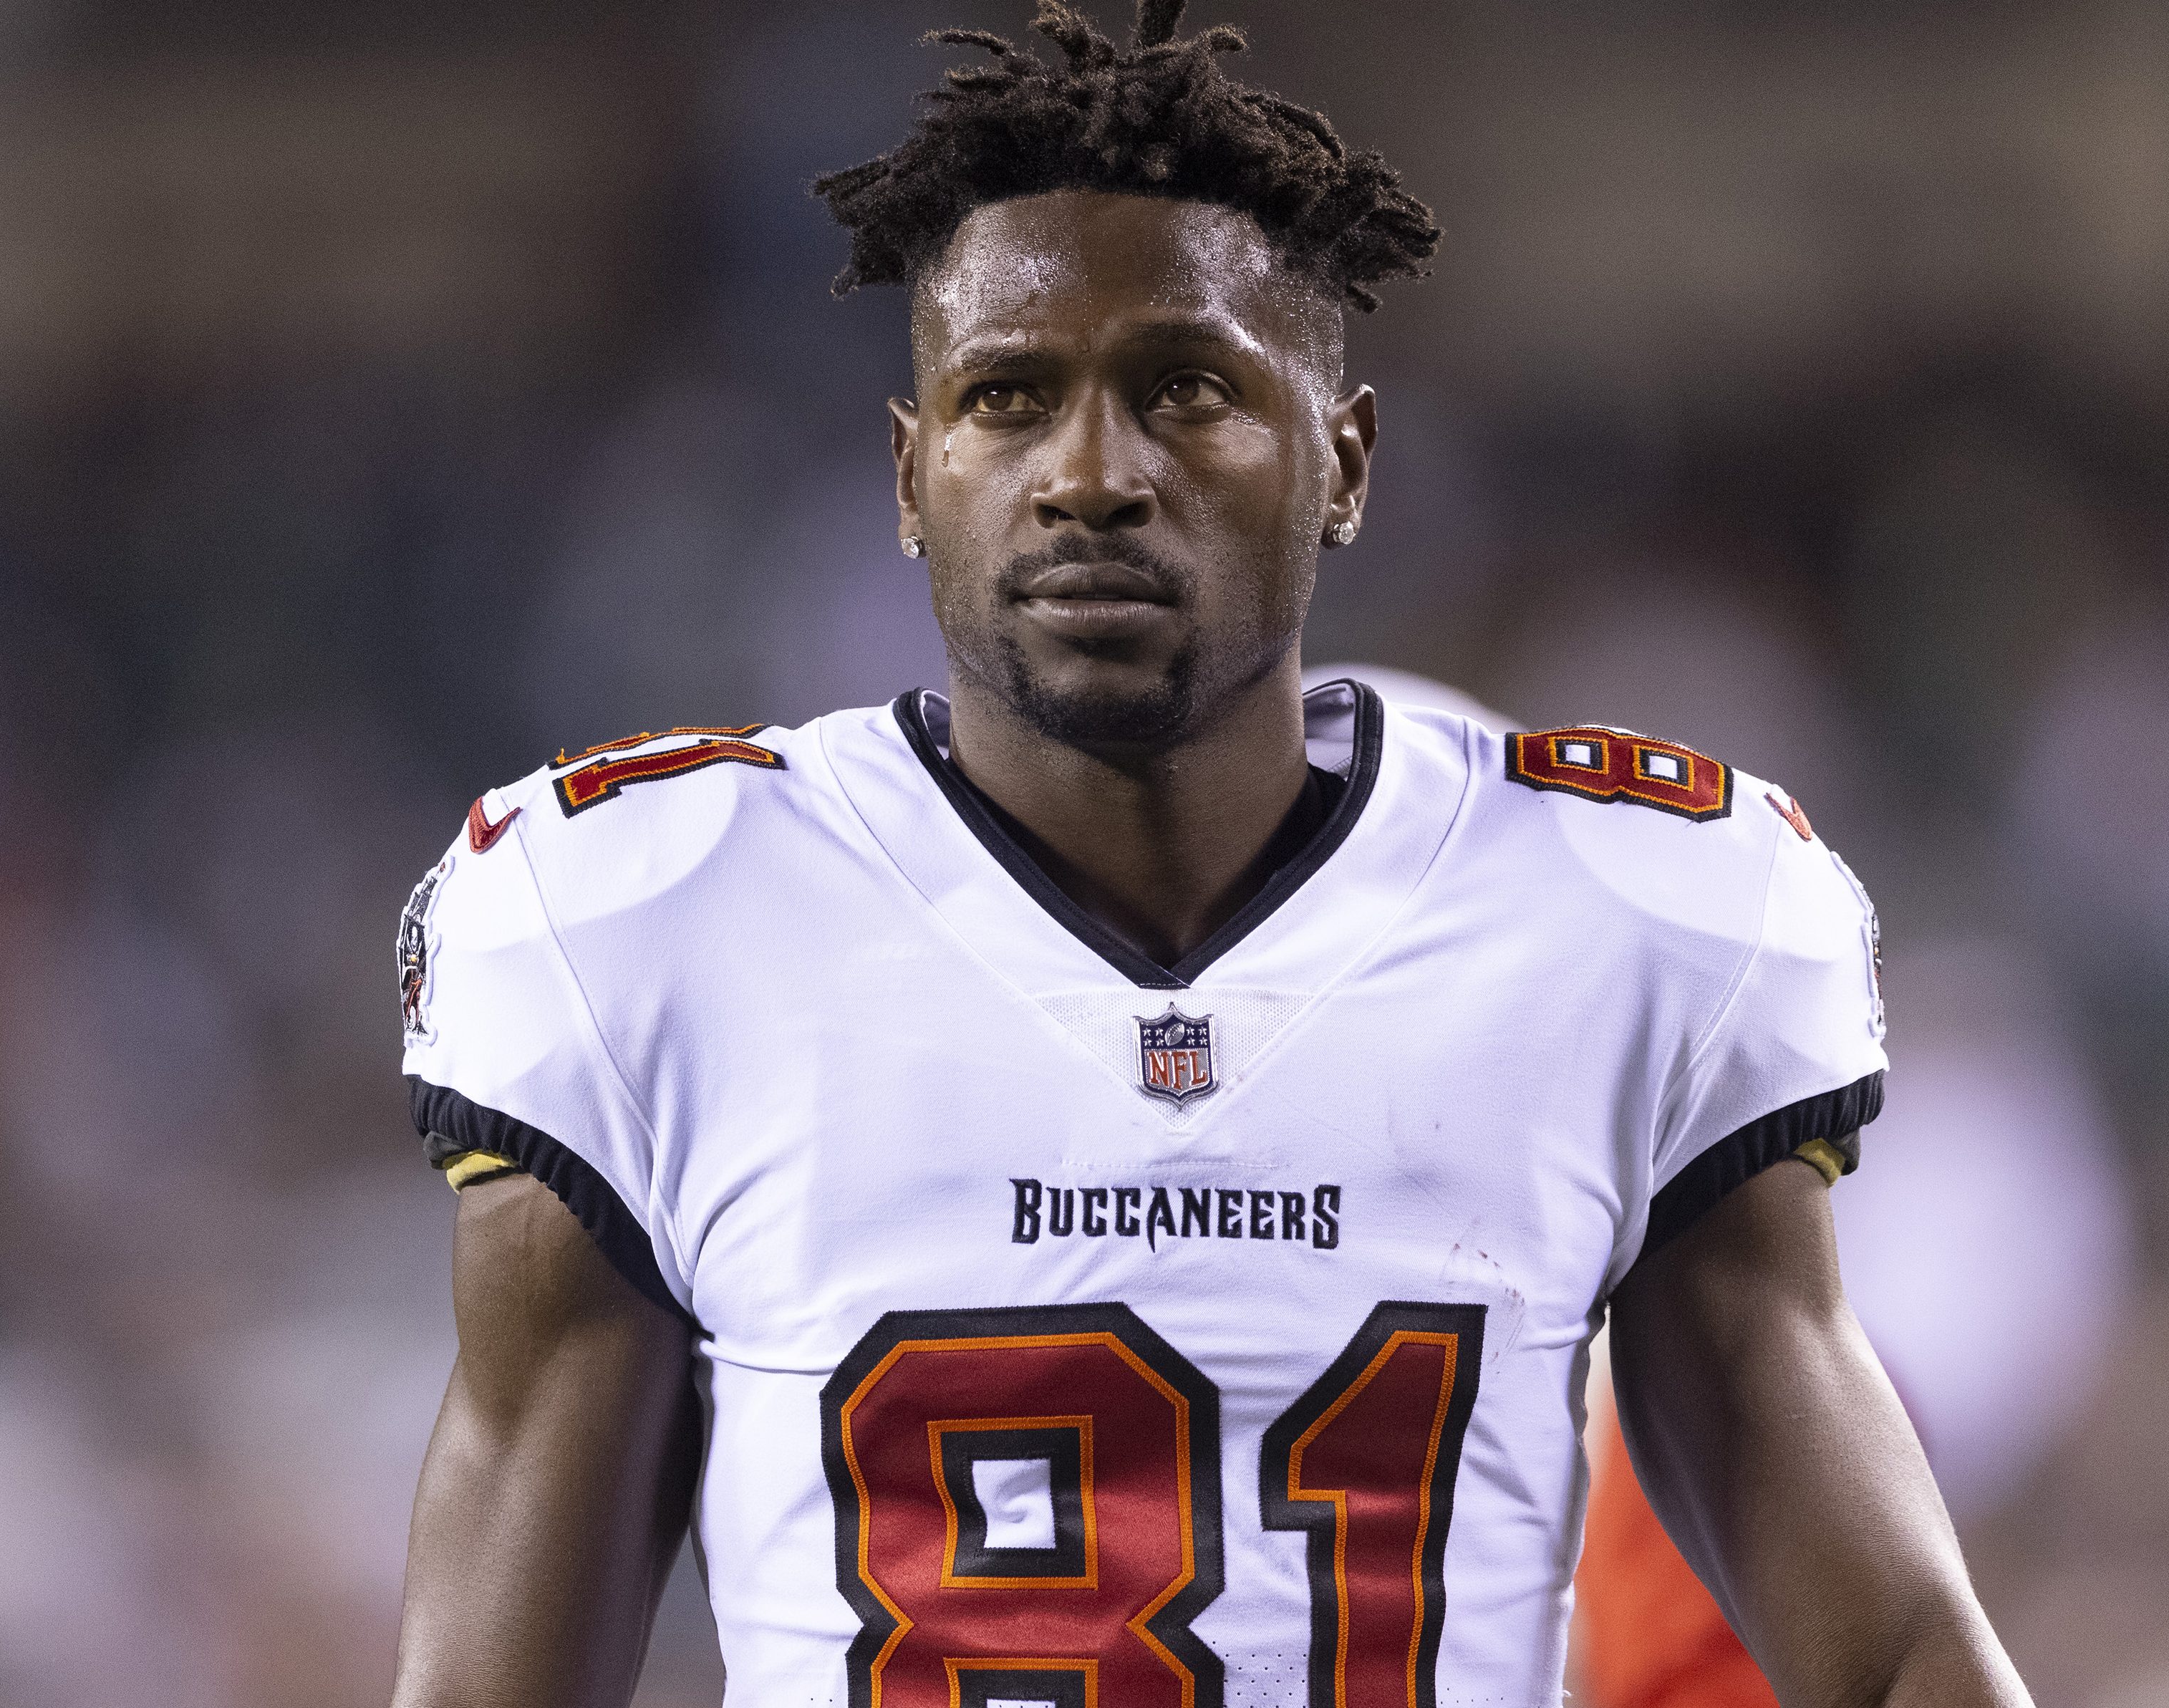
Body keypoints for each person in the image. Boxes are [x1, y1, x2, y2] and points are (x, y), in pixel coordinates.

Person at [387, 5, 2032, 1705]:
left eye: (1185, 391)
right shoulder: (652, 922)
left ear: (1346, 457)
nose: (1087, 475)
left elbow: (1898, 1647)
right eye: (1007, 398)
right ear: (910, 473)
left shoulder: (1623, 917)